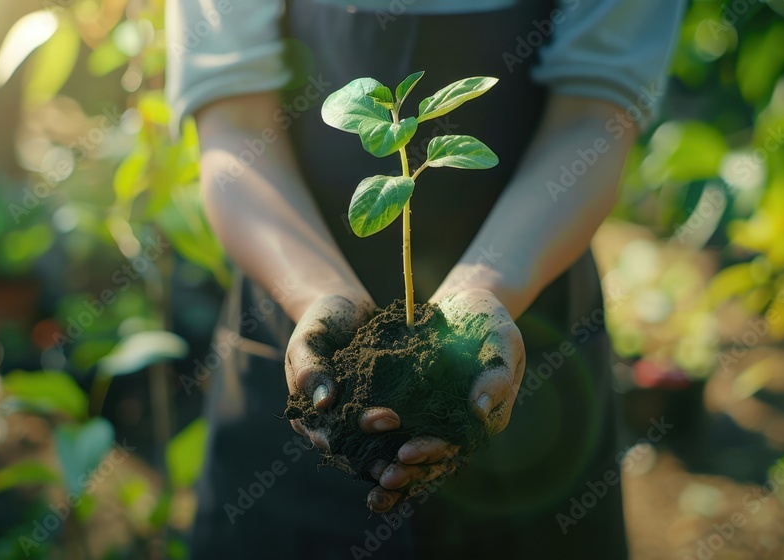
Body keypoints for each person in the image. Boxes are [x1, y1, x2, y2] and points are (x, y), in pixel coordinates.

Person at [166, 0, 683, 557]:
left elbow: (594, 115)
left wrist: (484, 288)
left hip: (528, 304)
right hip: (289, 292)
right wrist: (317, 294)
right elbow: (234, 125)